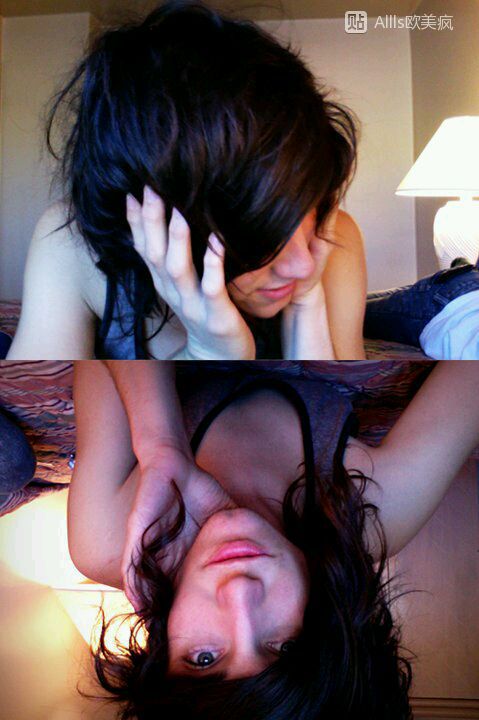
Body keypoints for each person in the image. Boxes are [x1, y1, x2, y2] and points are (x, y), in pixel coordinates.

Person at [68, 360, 479, 718]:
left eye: (204, 658)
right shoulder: (370, 515)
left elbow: (104, 337)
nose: (240, 593)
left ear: (161, 656)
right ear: (331, 630)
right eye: (286, 648)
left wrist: (160, 445)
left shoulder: (107, 539)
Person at [7, 0, 367, 362]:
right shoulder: (71, 245)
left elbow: (342, 394)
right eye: (261, 233)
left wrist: (307, 307)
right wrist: (207, 354)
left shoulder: (333, 240)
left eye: (310, 206)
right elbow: (38, 392)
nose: (304, 265)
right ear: (155, 216)